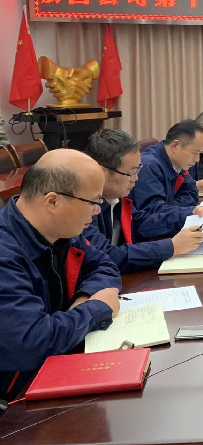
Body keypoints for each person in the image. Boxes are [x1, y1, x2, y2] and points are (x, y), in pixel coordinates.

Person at [0, 150, 121, 401]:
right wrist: (96, 308)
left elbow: (106, 266)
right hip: (17, 395)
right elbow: (33, 343)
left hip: (56, 363)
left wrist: (84, 298)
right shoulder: (5, 252)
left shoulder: (61, 229)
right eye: (93, 202)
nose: (97, 212)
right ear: (53, 201)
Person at [84, 129, 203, 273]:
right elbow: (106, 255)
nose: (136, 178)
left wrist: (190, 214)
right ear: (101, 172)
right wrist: (171, 246)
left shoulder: (118, 199)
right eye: (130, 173)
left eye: (137, 170)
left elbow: (143, 223)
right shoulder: (84, 206)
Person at [131, 120, 203, 239]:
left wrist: (171, 207)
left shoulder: (177, 162)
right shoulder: (148, 167)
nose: (197, 159)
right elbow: (155, 213)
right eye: (195, 153)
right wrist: (181, 210)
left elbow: (192, 192)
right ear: (175, 146)